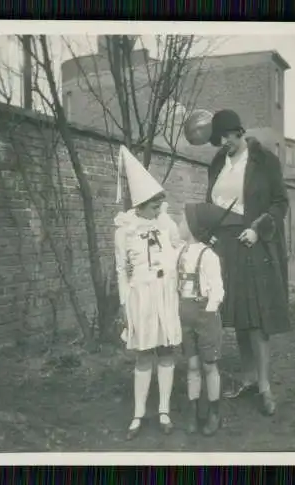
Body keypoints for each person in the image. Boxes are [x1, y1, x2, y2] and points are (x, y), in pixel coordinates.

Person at [205, 109, 291, 416]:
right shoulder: (217, 163)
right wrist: (210, 233)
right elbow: (210, 203)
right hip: (225, 246)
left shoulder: (264, 160)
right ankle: (248, 378)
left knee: (256, 318)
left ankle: (265, 386)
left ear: (239, 132)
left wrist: (258, 229)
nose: (223, 142)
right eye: (219, 138)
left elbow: (280, 203)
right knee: (238, 315)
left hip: (253, 242)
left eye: (227, 136)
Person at [114, 146, 182, 441]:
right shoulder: (124, 230)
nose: (159, 211)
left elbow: (179, 253)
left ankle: (164, 408)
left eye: (160, 206)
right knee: (144, 355)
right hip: (139, 296)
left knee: (166, 350)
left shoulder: (166, 224)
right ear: (140, 204)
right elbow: (121, 270)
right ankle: (138, 412)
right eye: (154, 207)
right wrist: (123, 303)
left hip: (166, 294)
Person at [176, 203, 226, 436]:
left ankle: (214, 411)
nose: (177, 225)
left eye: (181, 221)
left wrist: (209, 310)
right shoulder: (180, 252)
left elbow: (218, 290)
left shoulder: (209, 256)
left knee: (208, 365)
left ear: (192, 227)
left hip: (204, 315)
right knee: (192, 365)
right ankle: (194, 409)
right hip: (184, 315)